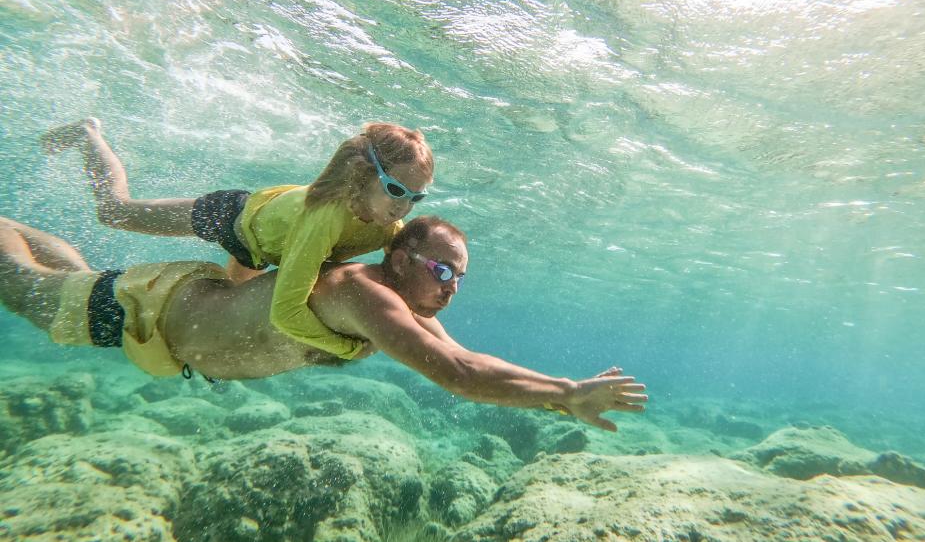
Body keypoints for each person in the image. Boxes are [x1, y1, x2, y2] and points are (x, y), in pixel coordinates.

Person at [0, 214, 647, 431]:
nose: (450, 289)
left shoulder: (401, 304)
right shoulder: (367, 295)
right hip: (157, 312)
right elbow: (459, 374)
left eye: (460, 278)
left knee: (63, 284)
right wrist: (565, 393)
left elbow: (470, 357)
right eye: (442, 271)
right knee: (30, 294)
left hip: (170, 309)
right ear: (398, 258)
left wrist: (564, 393)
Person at [41, 118, 434, 355]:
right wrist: (347, 347)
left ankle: (87, 282)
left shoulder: (388, 225)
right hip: (231, 218)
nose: (405, 208)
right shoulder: (325, 220)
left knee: (225, 310)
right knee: (114, 211)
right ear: (364, 176)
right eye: (397, 190)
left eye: (416, 197)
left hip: (263, 246)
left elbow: (404, 288)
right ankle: (88, 133)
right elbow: (286, 313)